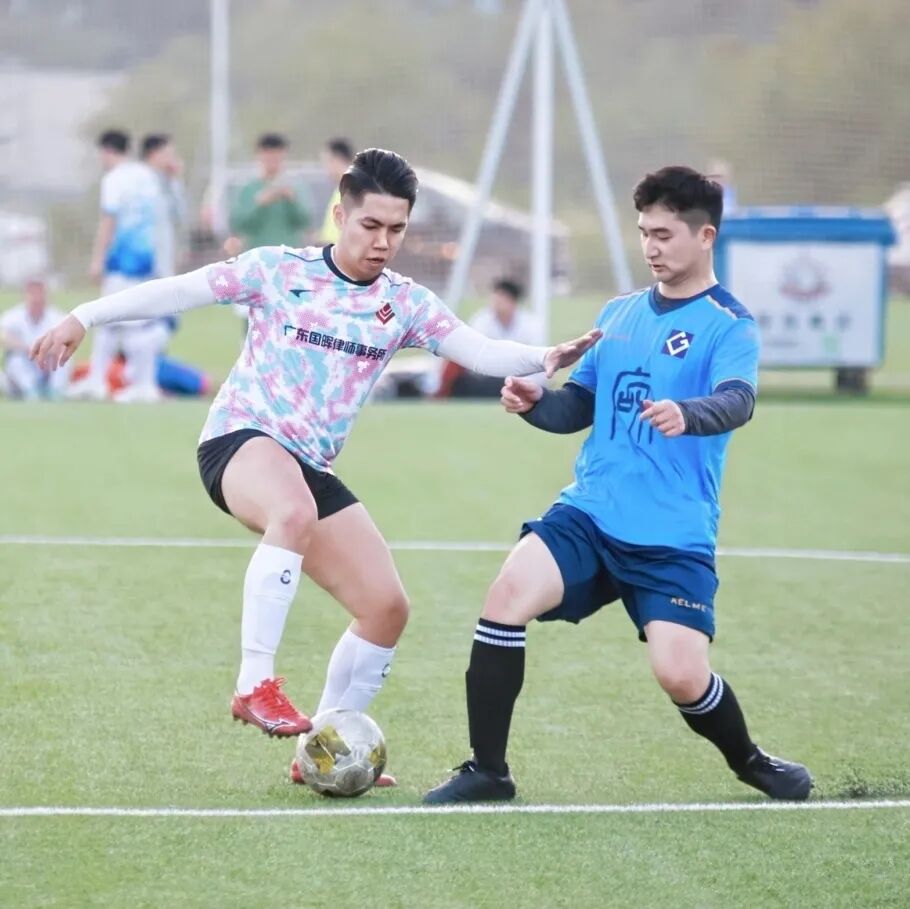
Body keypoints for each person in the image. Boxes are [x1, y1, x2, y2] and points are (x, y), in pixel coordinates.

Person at [31, 148, 600, 789]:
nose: (383, 241)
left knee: (385, 607)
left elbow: (480, 350)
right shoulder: (278, 269)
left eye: (396, 229)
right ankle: (254, 683)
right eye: (370, 225)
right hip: (240, 439)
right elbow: (180, 290)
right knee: (293, 510)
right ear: (341, 216)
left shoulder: (404, 303)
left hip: (308, 465)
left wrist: (545, 356)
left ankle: (323, 749)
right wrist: (84, 315)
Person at [424, 165, 813, 805]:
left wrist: (689, 413)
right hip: (591, 512)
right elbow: (577, 406)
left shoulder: (730, 324)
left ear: (705, 236)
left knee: (680, 674)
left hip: (671, 534)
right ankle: (488, 772)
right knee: (505, 597)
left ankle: (749, 760)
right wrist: (535, 403)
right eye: (644, 233)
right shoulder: (620, 314)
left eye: (664, 234)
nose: (650, 247)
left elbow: (738, 400)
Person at [70, 129, 164, 402]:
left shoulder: (114, 179)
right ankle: (127, 381)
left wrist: (97, 259)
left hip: (122, 261)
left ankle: (132, 384)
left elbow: (108, 221)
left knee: (113, 321)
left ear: (107, 151)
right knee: (138, 322)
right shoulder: (147, 175)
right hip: (146, 260)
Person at [436, 278, 546, 397]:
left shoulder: (530, 324)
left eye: (501, 299)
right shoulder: (481, 320)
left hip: (521, 377)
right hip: (487, 377)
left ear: (512, 301)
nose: (496, 303)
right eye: (495, 299)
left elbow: (537, 360)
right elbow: (472, 355)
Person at [231, 133, 310, 251]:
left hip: (288, 255)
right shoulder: (248, 188)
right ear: (259, 156)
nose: (273, 161)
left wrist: (292, 201)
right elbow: (238, 224)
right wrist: (259, 204)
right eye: (268, 157)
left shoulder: (295, 186)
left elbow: (305, 222)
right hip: (257, 255)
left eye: (277, 157)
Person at [1, 277, 71, 400]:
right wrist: (26, 348)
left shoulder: (57, 316)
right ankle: (30, 392)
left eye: (40, 291)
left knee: (64, 358)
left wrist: (45, 351)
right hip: (25, 363)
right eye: (32, 292)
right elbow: (3, 335)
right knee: (15, 360)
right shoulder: (14, 316)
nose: (36, 296)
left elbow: (67, 340)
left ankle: (56, 392)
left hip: (48, 364)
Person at [319, 138, 355, 245]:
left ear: (338, 159)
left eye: (327, 161)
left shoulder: (354, 190)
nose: (325, 167)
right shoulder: (340, 189)